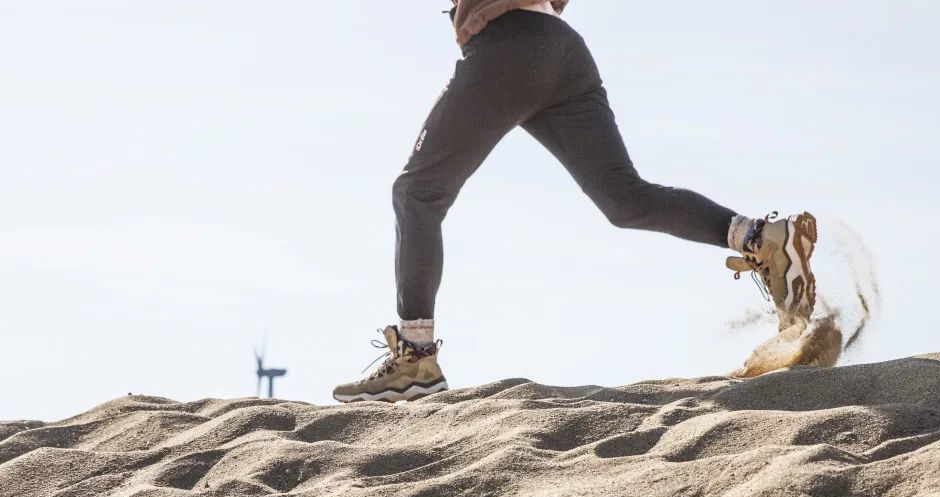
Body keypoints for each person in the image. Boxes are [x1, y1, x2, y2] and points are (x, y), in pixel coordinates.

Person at [333, 0, 818, 404]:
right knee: (624, 198)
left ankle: (415, 359)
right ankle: (762, 236)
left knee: (416, 192)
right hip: (562, 52)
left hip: (506, 46)